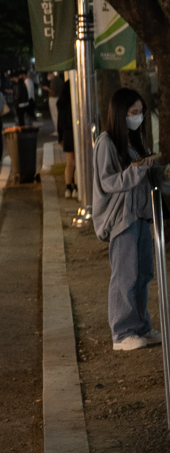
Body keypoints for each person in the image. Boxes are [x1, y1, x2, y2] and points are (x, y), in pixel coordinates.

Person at [92, 88, 165, 352]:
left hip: (142, 214)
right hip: (122, 218)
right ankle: (122, 332)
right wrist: (138, 170)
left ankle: (141, 326)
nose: (138, 117)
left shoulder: (135, 140)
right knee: (126, 274)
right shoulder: (106, 142)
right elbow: (108, 182)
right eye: (133, 112)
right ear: (120, 113)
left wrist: (158, 171)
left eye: (141, 112)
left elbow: (145, 176)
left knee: (144, 272)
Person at [55, 74, 76, 198]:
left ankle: (68, 188)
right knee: (77, 162)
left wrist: (60, 137)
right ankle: (76, 187)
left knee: (70, 162)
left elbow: (59, 122)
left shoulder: (61, 103)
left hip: (67, 134)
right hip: (76, 133)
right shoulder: (76, 102)